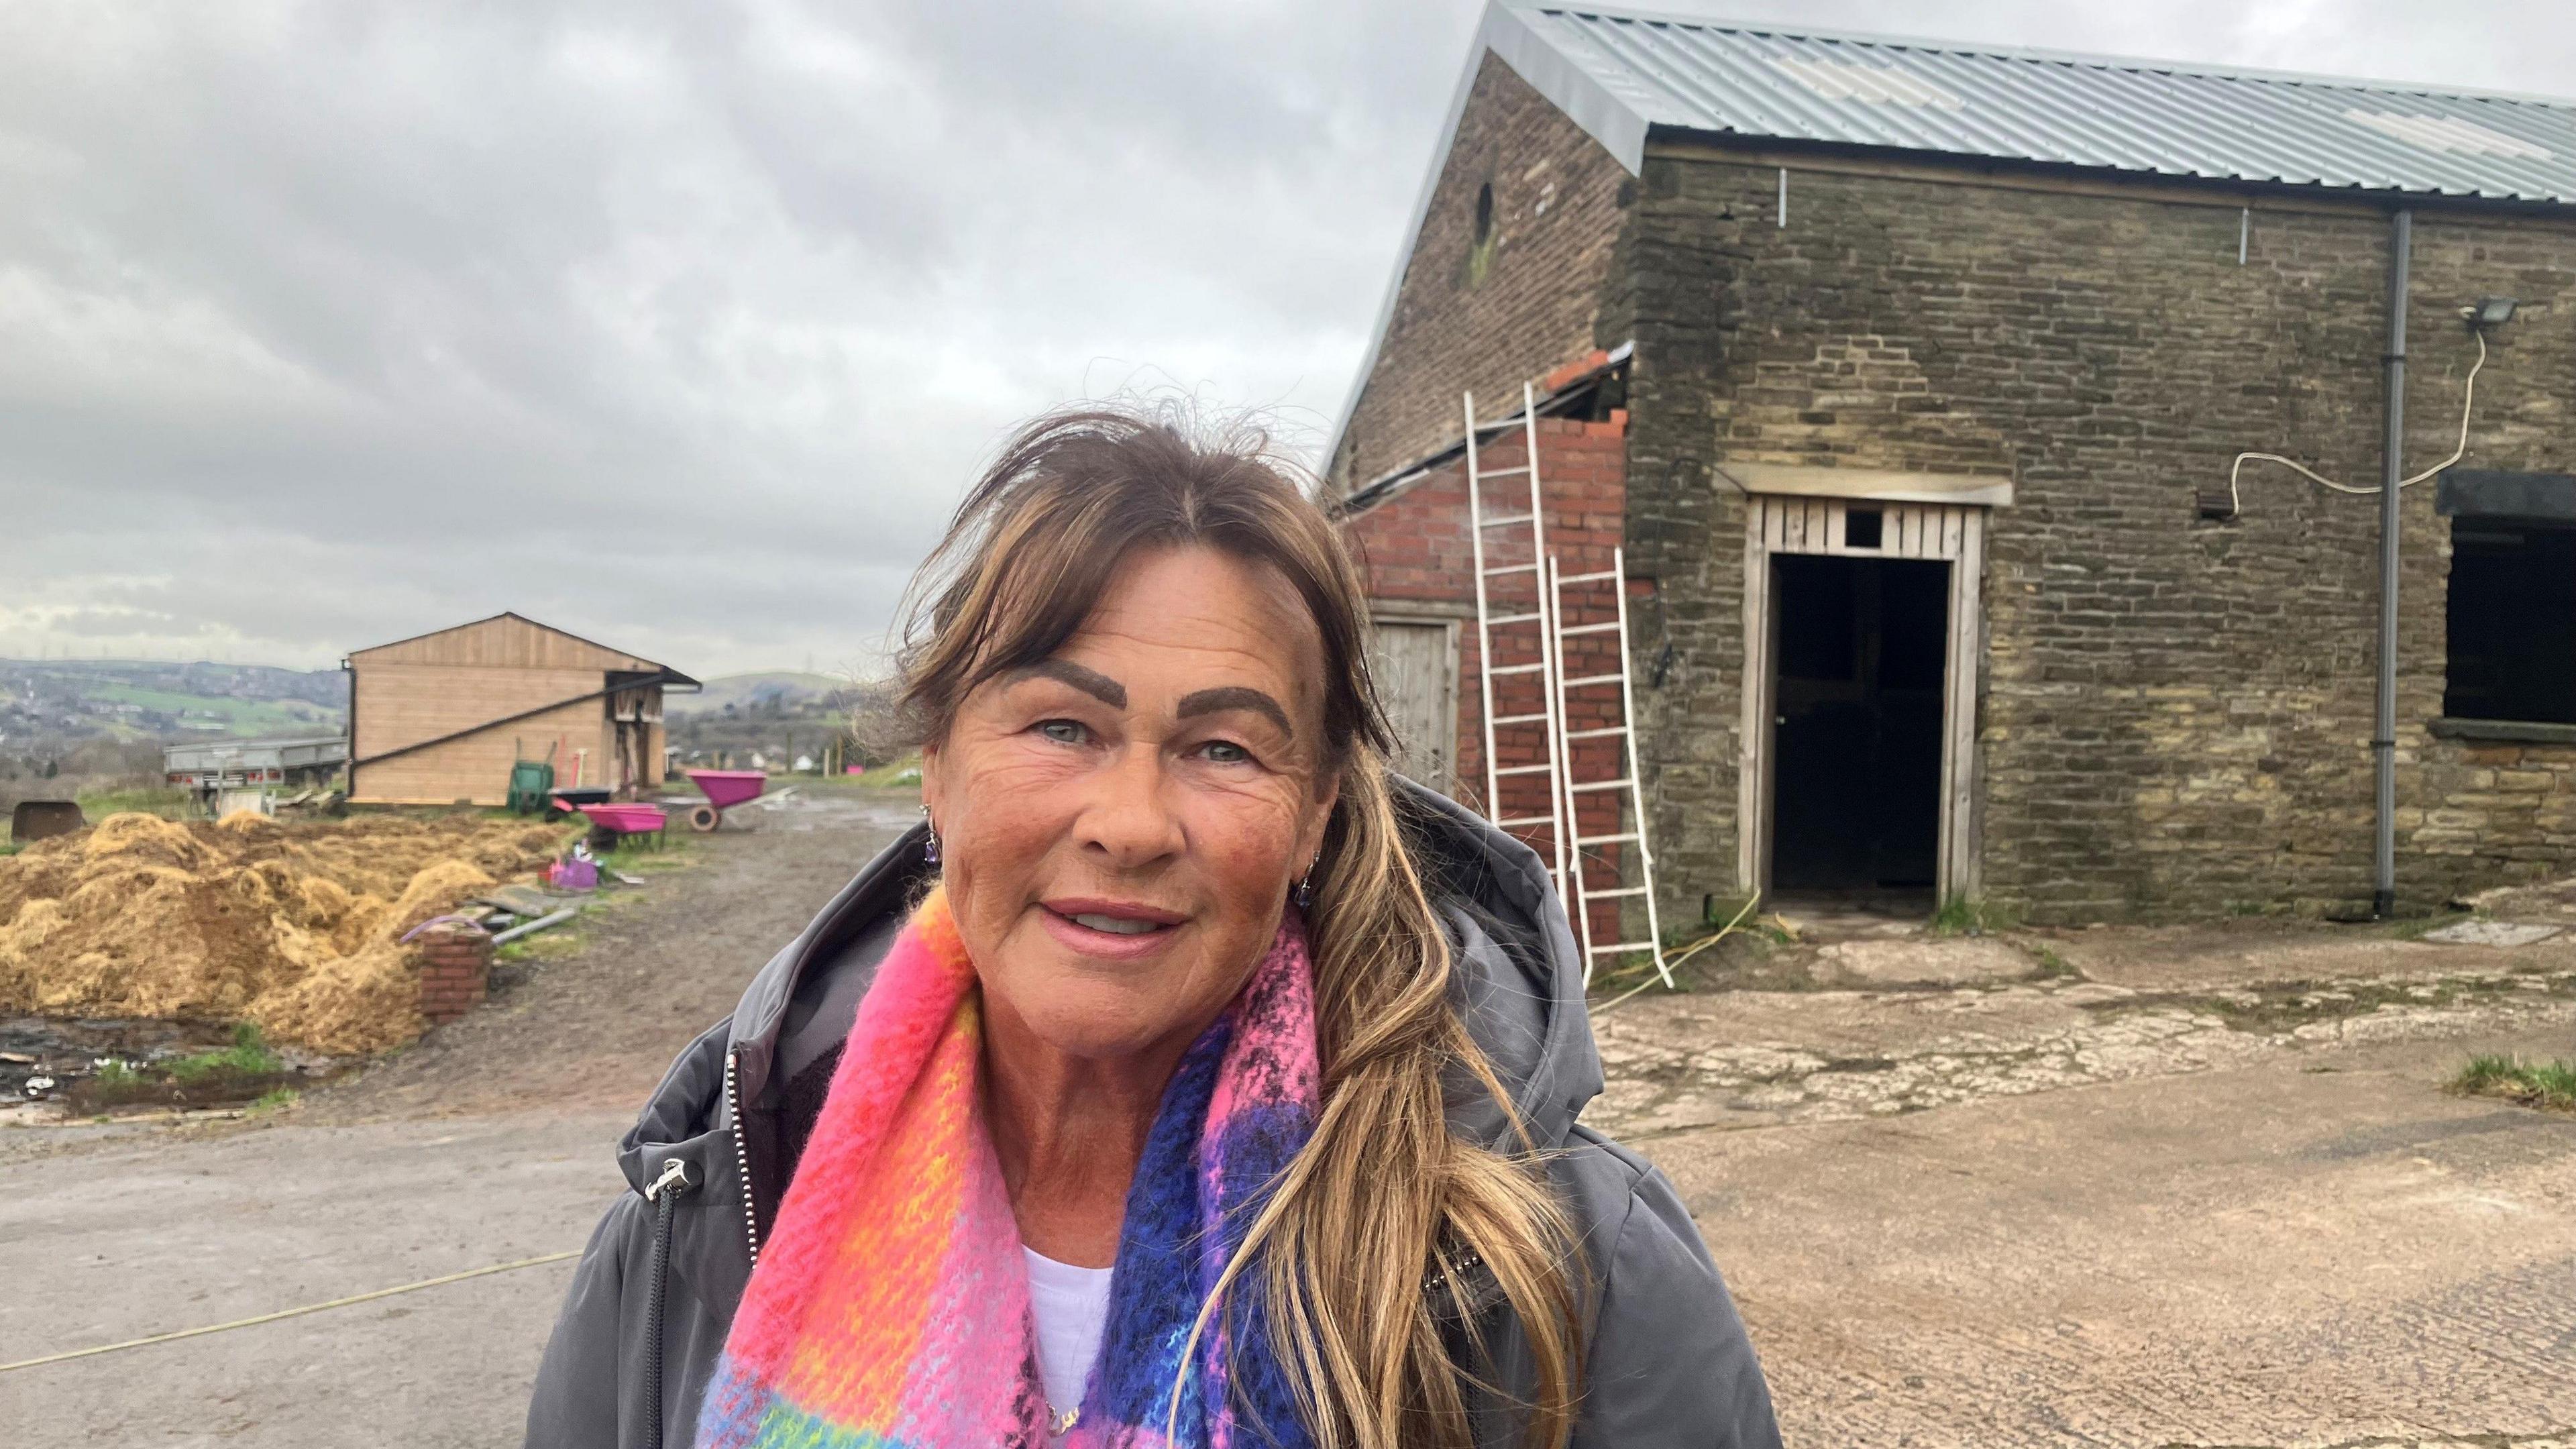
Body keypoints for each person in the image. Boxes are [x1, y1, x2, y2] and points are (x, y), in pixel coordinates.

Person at [524, 407, 1780, 1449]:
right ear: (938, 773)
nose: (1130, 823)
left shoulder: (1555, 1265)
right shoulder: (705, 1221)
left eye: (1223, 748)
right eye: (1062, 727)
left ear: (1313, 817)